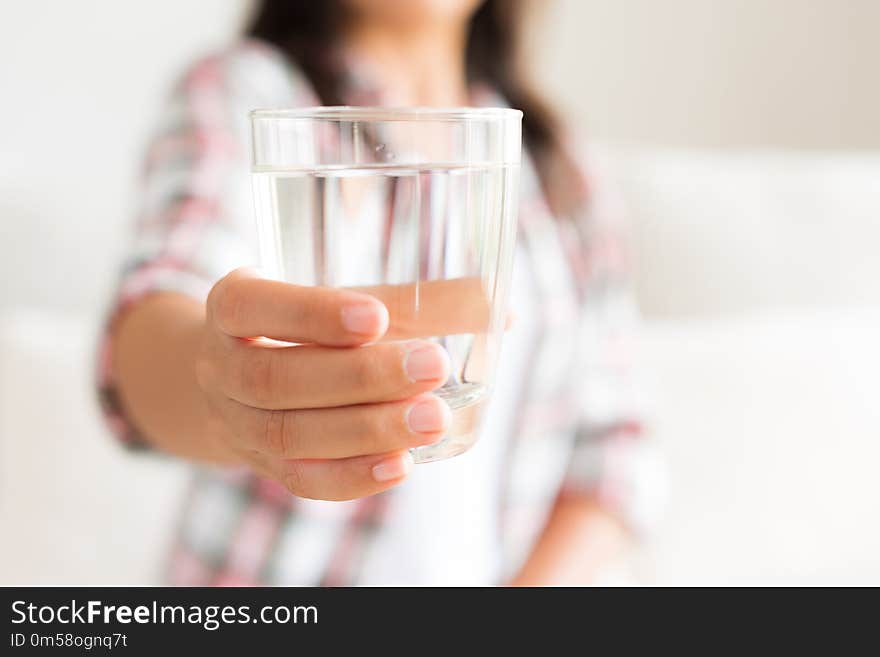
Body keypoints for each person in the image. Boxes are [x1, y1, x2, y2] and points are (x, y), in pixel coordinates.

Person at [98, 0, 658, 586]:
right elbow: (160, 304)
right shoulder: (249, 94)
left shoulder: (556, 164)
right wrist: (226, 387)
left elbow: (615, 450)